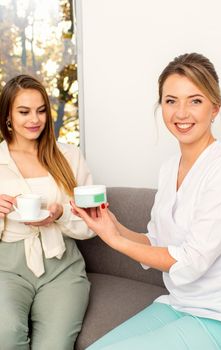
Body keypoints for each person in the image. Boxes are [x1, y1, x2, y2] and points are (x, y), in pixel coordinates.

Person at [70, 53, 221, 349]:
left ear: (215, 108)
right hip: (177, 303)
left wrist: (117, 242)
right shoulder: (169, 168)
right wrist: (113, 227)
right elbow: (156, 240)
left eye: (195, 100)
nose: (181, 113)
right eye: (171, 101)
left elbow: (192, 262)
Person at [0, 74, 95, 350]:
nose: (35, 119)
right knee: (5, 336)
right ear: (7, 115)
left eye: (41, 110)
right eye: (24, 111)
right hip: (6, 267)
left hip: (61, 267)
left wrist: (61, 213)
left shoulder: (68, 156)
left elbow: (93, 223)